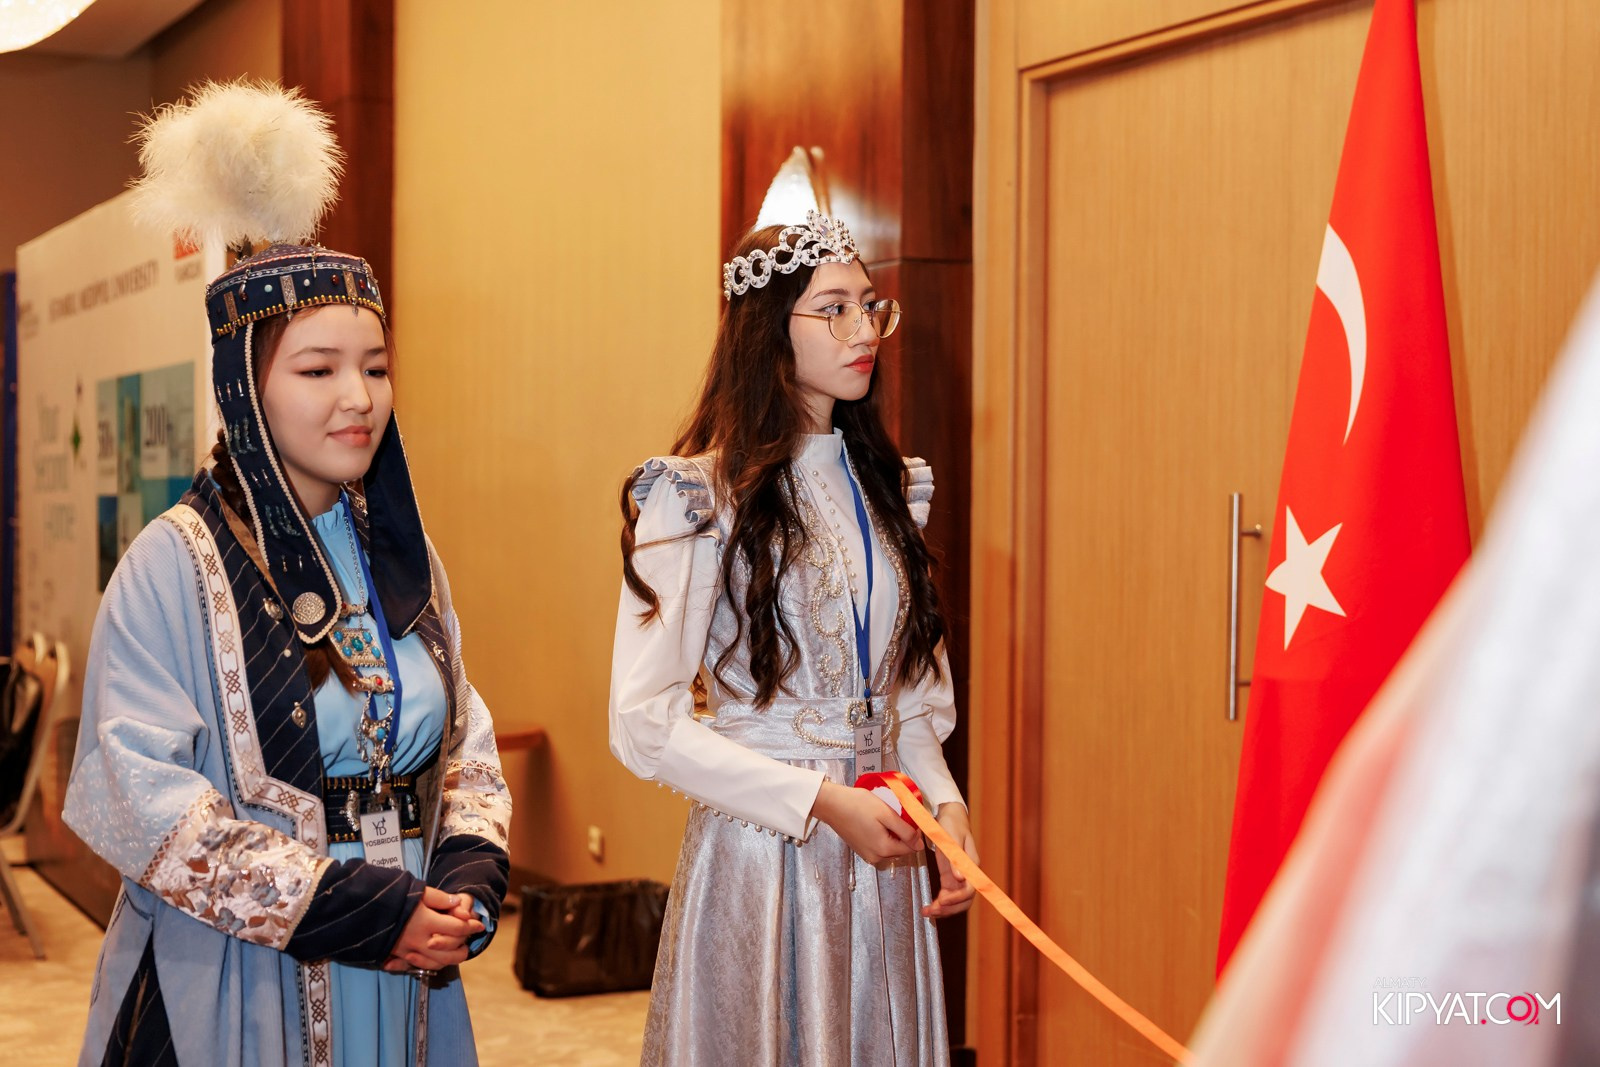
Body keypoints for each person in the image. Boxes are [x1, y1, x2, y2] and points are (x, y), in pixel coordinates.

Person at [61, 82, 511, 1067]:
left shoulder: (401, 554)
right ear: (245, 386)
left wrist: (469, 864)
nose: (360, 398)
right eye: (318, 369)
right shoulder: (172, 564)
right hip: (248, 977)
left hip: (407, 959)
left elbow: (461, 725)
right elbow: (133, 794)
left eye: (376, 366)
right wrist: (346, 906)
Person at [610, 211, 978, 1065]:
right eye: (834, 309)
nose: (865, 331)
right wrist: (821, 801)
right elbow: (642, 723)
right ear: (770, 329)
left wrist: (947, 807)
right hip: (762, 852)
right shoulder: (696, 497)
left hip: (884, 846)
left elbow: (907, 699)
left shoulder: (891, 489)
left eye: (870, 306)